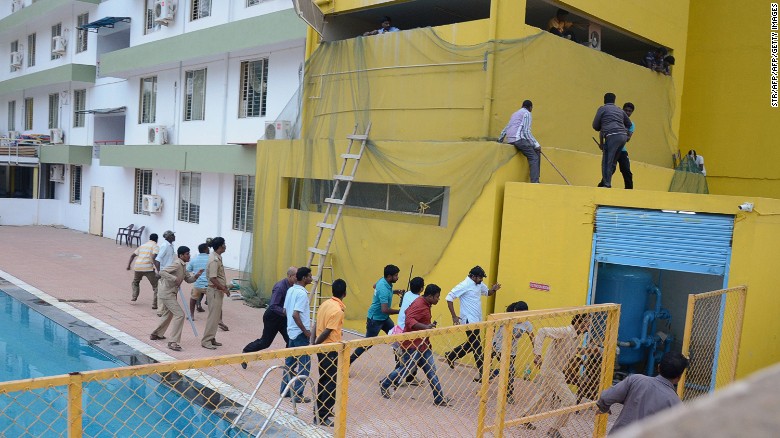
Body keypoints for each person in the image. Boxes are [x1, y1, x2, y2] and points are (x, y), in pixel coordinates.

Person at [518, 314, 592, 437]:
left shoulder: (575, 337)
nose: (588, 326)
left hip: (555, 370)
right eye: (586, 322)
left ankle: (525, 418)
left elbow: (572, 352)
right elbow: (542, 331)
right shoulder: (566, 331)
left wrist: (588, 350)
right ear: (578, 322)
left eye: (589, 323)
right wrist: (537, 354)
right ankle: (553, 429)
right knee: (570, 400)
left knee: (542, 395)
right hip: (552, 371)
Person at [379, 284, 452, 407]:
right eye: (437, 297)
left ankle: (439, 398)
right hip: (413, 345)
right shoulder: (419, 304)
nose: (438, 299)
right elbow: (409, 320)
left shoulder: (424, 303)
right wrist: (425, 327)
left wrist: (426, 326)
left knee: (431, 371)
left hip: (423, 345)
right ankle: (385, 383)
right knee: (405, 369)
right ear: (429, 296)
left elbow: (408, 312)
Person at [597, 352, 689, 434]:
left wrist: (604, 408)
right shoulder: (676, 403)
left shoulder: (636, 380)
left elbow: (606, 397)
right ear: (679, 377)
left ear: (658, 367)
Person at [444, 266, 502, 382]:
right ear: (473, 276)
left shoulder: (479, 284)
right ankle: (483, 373)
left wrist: (494, 289)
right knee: (477, 347)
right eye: (480, 278)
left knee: (471, 344)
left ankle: (451, 356)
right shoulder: (464, 285)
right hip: (468, 320)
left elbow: (488, 293)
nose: (481, 280)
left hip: (477, 320)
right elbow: (449, 297)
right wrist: (454, 316)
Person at [241, 266, 297, 369]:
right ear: (289, 276)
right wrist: (286, 312)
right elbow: (273, 306)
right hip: (272, 318)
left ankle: (290, 364)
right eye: (296, 276)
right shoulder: (280, 287)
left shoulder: (294, 287)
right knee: (265, 342)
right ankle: (246, 352)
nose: (298, 279)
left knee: (290, 340)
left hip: (283, 318)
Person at [150, 246, 203, 351]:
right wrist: (174, 278)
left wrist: (196, 276)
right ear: (181, 255)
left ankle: (156, 334)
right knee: (180, 315)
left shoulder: (183, 266)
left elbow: (188, 279)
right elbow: (162, 272)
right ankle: (173, 342)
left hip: (171, 293)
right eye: (187, 254)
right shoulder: (177, 263)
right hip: (166, 293)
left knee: (168, 314)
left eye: (189, 253)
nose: (189, 256)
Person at [349, 264, 402, 363]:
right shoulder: (383, 288)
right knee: (367, 344)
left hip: (384, 318)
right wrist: (400, 311)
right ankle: (347, 362)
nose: (397, 277)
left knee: (396, 339)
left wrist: (394, 291)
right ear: (389, 276)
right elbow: (385, 310)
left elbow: (374, 286)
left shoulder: (383, 281)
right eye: (396, 275)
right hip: (375, 320)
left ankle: (399, 366)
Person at [313, 278, 347, 427]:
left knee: (324, 379)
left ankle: (319, 409)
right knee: (332, 382)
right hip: (330, 349)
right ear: (344, 293)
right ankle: (322, 415)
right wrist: (315, 344)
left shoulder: (325, 304)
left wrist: (314, 344)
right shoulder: (337, 311)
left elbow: (315, 323)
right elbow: (327, 331)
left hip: (323, 349)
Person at [488, 301, 534, 405]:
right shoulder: (507, 319)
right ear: (514, 311)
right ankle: (507, 393)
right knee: (509, 370)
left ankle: (496, 376)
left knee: (508, 370)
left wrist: (536, 352)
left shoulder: (526, 324)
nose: (519, 317)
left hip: (512, 351)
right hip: (498, 347)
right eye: (517, 313)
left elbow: (532, 337)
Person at [280, 267, 313, 403]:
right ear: (304, 278)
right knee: (305, 365)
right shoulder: (302, 294)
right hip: (299, 333)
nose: (312, 278)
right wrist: (305, 331)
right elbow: (295, 314)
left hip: (291, 332)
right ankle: (298, 393)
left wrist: (291, 327)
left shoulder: (290, 290)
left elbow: (285, 311)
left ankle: (284, 390)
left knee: (290, 363)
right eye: (310, 276)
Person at [389, 276, 426, 386]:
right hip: (406, 332)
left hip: (399, 329)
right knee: (406, 359)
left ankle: (410, 377)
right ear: (421, 288)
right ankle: (393, 380)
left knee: (411, 356)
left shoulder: (407, 294)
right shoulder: (418, 301)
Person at [593, 93, 632, 188]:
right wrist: (624, 131)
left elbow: (595, 126)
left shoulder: (602, 109)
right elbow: (629, 124)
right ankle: (606, 182)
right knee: (613, 162)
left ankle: (606, 184)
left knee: (606, 161)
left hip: (612, 136)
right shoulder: (619, 110)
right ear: (614, 100)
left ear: (604, 100)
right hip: (622, 138)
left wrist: (603, 125)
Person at [503, 100, 542, 183]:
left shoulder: (514, 114)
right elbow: (526, 131)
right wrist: (536, 144)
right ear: (530, 107)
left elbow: (506, 129)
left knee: (535, 151)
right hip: (519, 140)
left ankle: (536, 176)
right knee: (534, 157)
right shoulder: (527, 114)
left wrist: (500, 140)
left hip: (510, 140)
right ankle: (535, 181)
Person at [201, 237, 229, 350]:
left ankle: (211, 338)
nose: (225, 246)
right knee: (213, 318)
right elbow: (213, 278)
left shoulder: (217, 257)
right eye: (224, 244)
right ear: (220, 246)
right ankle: (206, 340)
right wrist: (224, 289)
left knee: (216, 317)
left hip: (217, 291)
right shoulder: (214, 260)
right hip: (214, 291)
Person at [127, 232, 160, 310]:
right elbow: (154, 257)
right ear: (157, 239)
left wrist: (128, 265)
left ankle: (134, 296)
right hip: (148, 268)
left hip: (138, 267)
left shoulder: (142, 245)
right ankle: (155, 304)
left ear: (149, 238)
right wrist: (158, 270)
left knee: (135, 282)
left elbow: (132, 255)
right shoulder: (155, 246)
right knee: (156, 286)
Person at [187, 243, 210, 319]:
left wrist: (194, 275)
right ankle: (216, 319)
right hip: (209, 285)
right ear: (205, 249)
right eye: (208, 248)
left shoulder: (194, 259)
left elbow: (187, 270)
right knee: (214, 302)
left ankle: (191, 315)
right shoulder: (211, 259)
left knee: (193, 299)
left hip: (198, 284)